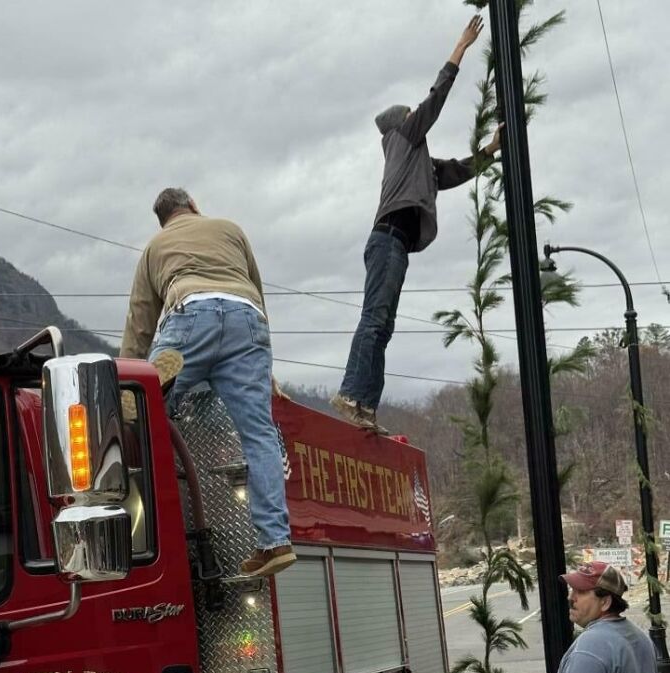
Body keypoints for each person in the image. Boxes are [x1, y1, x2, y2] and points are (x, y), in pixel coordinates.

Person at [332, 15, 502, 434]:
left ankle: (365, 408)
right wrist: (460, 48)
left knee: (383, 326)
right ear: (401, 124)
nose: (416, 117)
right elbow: (435, 100)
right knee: (375, 319)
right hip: (388, 239)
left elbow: (457, 170)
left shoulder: (420, 167)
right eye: (411, 114)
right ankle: (352, 393)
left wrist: (492, 149)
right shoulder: (403, 138)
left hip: (397, 245)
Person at [120, 187, 295, 577]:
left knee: (146, 417)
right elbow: (257, 291)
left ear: (163, 220)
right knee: (259, 434)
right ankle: (275, 541)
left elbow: (140, 321)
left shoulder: (155, 247)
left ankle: (155, 391)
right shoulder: (231, 229)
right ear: (194, 206)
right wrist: (265, 368)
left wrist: (126, 379)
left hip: (189, 313)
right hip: (247, 321)